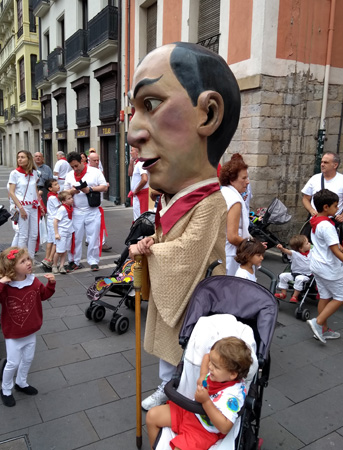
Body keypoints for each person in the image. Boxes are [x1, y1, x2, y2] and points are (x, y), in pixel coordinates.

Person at [128, 42, 240, 410]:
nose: (132, 132)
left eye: (151, 104)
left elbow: (188, 252)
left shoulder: (211, 200)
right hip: (172, 293)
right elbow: (168, 241)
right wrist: (151, 245)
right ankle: (167, 387)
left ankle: (182, 394)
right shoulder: (172, 195)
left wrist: (149, 250)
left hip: (195, 294)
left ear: (208, 114)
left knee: (188, 348)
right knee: (167, 346)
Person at [146, 337, 252, 450]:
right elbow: (207, 356)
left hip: (204, 431)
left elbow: (225, 427)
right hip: (190, 412)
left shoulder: (233, 396)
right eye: (212, 362)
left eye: (215, 366)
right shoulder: (220, 374)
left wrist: (206, 401)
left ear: (232, 375)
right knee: (152, 416)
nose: (210, 366)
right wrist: (202, 375)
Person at [0, 247, 56, 407]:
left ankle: (21, 382)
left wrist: (51, 284)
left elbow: (44, 295)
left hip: (31, 330)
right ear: (11, 267)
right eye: (22, 261)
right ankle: (5, 389)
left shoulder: (33, 281)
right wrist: (2, 282)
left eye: (28, 259)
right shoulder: (7, 286)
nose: (28, 263)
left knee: (28, 359)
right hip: (13, 333)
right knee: (13, 362)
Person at [307, 189, 343, 343]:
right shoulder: (327, 226)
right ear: (326, 207)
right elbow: (335, 251)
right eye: (336, 206)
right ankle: (318, 322)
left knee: (325, 296)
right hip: (329, 267)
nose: (338, 209)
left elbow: (330, 246)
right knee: (340, 296)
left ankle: (323, 330)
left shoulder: (315, 219)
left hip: (317, 264)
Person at [64, 152, 108, 271]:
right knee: (76, 237)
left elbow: (104, 186)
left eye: (77, 165)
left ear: (83, 162)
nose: (75, 169)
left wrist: (90, 189)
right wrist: (72, 191)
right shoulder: (69, 175)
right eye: (72, 167)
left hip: (92, 210)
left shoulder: (95, 172)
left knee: (93, 236)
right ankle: (74, 260)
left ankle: (93, 261)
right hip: (76, 211)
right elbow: (64, 192)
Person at [8, 151, 45, 259]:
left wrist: (40, 205)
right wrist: (20, 208)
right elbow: (11, 192)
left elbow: (35, 190)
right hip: (22, 207)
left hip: (33, 206)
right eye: (18, 157)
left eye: (22, 157)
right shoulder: (14, 173)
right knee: (23, 235)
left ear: (28, 159)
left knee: (34, 235)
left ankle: (31, 259)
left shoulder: (34, 173)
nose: (20, 159)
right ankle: (21, 260)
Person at [220, 154, 251, 276]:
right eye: (244, 178)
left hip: (221, 252)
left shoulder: (223, 192)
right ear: (232, 180)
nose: (247, 182)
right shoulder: (235, 201)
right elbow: (232, 237)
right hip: (230, 255)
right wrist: (253, 246)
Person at [302, 152, 343, 221]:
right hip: (315, 221)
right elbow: (305, 198)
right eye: (322, 162)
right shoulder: (315, 178)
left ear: (335, 165)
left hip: (334, 222)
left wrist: (342, 216)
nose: (322, 164)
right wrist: (311, 210)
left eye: (326, 162)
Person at [275, 235, 312, 303]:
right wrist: (282, 249)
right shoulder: (295, 254)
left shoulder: (312, 252)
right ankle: (283, 293)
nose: (309, 243)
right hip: (294, 274)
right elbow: (287, 251)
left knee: (299, 279)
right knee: (283, 276)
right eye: (307, 243)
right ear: (301, 248)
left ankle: (295, 296)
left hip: (306, 275)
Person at [88, 152, 112, 252]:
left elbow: (105, 188)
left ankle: (101, 242)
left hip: (97, 202)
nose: (97, 162)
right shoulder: (87, 171)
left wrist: (104, 185)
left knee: (98, 223)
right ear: (89, 160)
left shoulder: (98, 171)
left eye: (98, 160)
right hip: (88, 202)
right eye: (95, 160)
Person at [52, 191, 74, 274]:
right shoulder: (62, 209)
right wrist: (56, 233)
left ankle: (61, 266)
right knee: (59, 251)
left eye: (71, 197)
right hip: (62, 232)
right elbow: (55, 221)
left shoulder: (70, 207)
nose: (72, 199)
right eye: (69, 198)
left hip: (68, 231)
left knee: (65, 250)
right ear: (63, 202)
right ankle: (54, 265)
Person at [41, 179, 61, 269]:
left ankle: (46, 257)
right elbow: (60, 206)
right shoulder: (53, 197)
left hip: (50, 219)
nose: (58, 186)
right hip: (54, 221)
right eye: (55, 185)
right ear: (50, 188)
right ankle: (50, 259)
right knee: (55, 241)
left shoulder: (51, 195)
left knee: (50, 240)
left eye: (57, 184)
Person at [128, 147, 149, 220]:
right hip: (138, 194)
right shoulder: (138, 163)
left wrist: (136, 190)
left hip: (140, 195)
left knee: (140, 218)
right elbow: (130, 174)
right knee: (139, 217)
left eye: (132, 151)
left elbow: (144, 179)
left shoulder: (141, 163)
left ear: (137, 152)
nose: (130, 153)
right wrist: (131, 162)